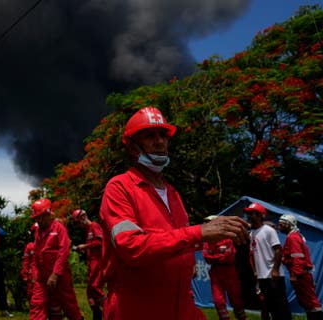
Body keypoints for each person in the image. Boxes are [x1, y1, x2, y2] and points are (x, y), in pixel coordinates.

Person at [99, 106, 250, 320]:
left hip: (180, 305)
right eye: (150, 136)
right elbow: (131, 247)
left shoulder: (173, 193)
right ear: (133, 147)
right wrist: (199, 233)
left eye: (163, 135)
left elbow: (178, 245)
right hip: (136, 308)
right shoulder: (119, 188)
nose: (160, 141)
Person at [30, 198, 83, 320]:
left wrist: (55, 274)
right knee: (37, 304)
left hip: (60, 276)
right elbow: (36, 254)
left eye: (40, 217)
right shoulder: (37, 231)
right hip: (42, 277)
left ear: (48, 214)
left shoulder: (59, 228)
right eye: (36, 218)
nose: (38, 220)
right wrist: (34, 273)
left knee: (69, 305)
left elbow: (63, 252)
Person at [244, 202, 292, 320]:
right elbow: (253, 254)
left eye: (252, 213)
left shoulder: (268, 230)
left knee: (280, 305)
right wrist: (255, 271)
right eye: (248, 214)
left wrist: (275, 269)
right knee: (268, 306)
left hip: (273, 275)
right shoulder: (252, 234)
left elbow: (278, 250)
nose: (249, 216)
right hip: (262, 276)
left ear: (260, 215)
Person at [278, 214, 323, 319]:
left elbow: (297, 257)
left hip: (301, 275)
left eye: (281, 224)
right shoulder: (294, 236)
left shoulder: (293, 237)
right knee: (307, 302)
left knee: (311, 302)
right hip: (301, 274)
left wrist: (295, 274)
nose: (279, 226)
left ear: (289, 225)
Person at [202, 215, 247, 320]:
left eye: (209, 222)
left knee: (236, 300)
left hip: (230, 271)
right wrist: (218, 257)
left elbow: (227, 256)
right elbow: (206, 257)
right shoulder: (207, 242)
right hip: (215, 272)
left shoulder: (227, 239)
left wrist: (214, 257)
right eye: (206, 222)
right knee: (218, 300)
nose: (207, 225)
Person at [71, 209, 105, 320]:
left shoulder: (94, 226)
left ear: (82, 218)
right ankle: (97, 315)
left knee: (95, 287)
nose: (79, 226)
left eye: (78, 223)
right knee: (90, 292)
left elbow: (101, 243)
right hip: (91, 262)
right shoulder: (88, 230)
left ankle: (110, 308)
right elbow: (92, 245)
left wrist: (84, 246)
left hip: (98, 262)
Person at [21, 223, 38, 302]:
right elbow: (26, 260)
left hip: (44, 272)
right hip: (32, 274)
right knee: (31, 293)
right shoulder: (30, 246)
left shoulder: (47, 243)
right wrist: (25, 273)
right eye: (35, 231)